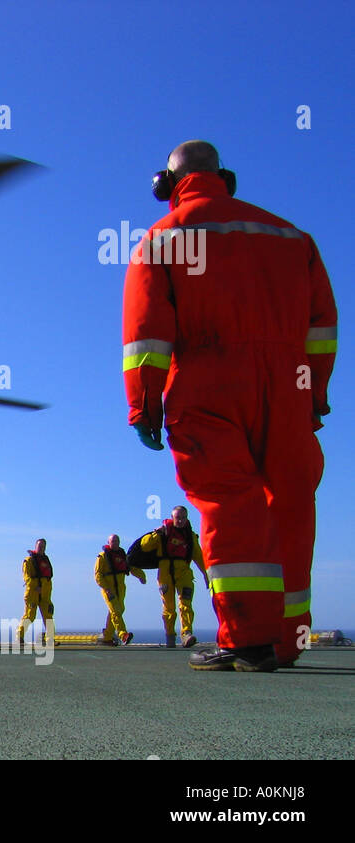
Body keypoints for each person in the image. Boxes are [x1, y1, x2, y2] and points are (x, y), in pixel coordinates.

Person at [124, 140, 334, 672]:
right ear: (227, 177)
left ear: (167, 185)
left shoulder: (162, 239)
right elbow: (322, 330)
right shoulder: (292, 237)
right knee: (290, 505)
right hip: (288, 387)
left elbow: (146, 337)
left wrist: (145, 407)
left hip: (208, 382)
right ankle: (288, 641)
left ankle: (245, 639)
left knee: (229, 504)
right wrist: (312, 395)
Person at [139, 506, 208, 648]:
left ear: (187, 518)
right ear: (172, 518)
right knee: (169, 607)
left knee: (186, 603)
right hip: (165, 572)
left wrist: (206, 576)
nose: (181, 520)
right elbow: (144, 546)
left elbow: (199, 557)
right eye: (178, 518)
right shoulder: (163, 533)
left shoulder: (190, 536)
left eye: (183, 517)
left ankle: (186, 633)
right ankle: (170, 636)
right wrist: (156, 533)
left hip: (184, 571)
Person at [95, 534, 146, 646]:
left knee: (119, 610)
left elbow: (131, 568)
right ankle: (123, 635)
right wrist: (106, 588)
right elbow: (98, 575)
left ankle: (107, 637)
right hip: (109, 588)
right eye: (113, 541)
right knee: (116, 611)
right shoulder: (102, 557)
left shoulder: (123, 556)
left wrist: (141, 576)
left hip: (121, 588)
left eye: (117, 540)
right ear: (108, 542)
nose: (115, 543)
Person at [16, 539, 55, 646]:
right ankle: (20, 635)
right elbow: (27, 577)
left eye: (43, 546)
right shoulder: (28, 561)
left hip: (45, 593)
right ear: (35, 546)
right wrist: (36, 586)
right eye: (40, 546)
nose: (41, 548)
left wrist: (45, 588)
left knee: (48, 616)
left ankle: (50, 639)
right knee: (30, 616)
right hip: (33, 592)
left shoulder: (46, 560)